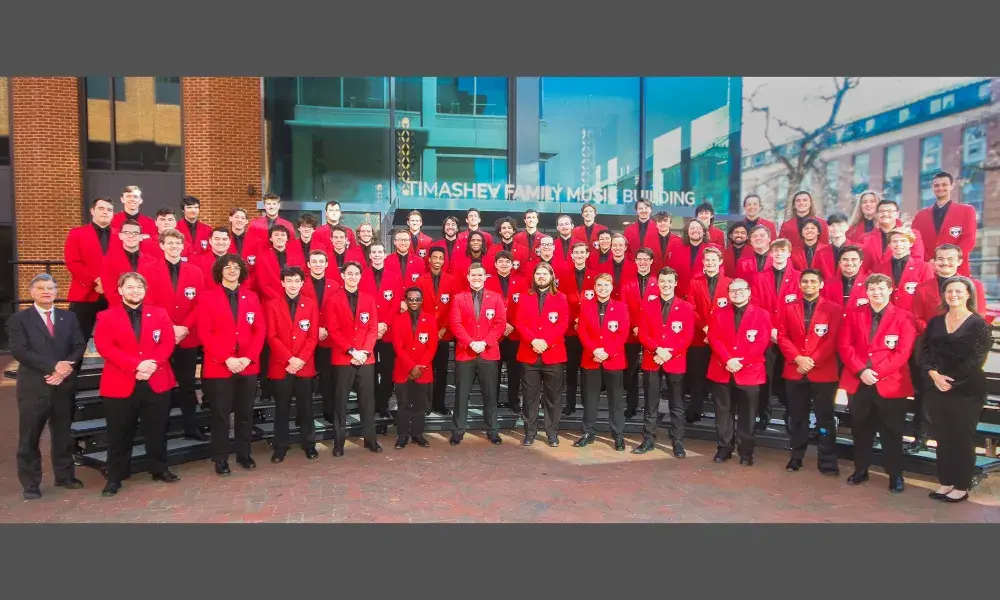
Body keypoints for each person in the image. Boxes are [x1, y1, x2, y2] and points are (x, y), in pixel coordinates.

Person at [93, 272, 180, 496]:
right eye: (130, 287)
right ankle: (115, 477)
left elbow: (168, 342)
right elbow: (105, 347)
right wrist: (136, 366)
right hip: (121, 383)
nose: (135, 291)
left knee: (157, 430)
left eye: (139, 287)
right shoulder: (106, 316)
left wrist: (152, 365)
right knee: (119, 433)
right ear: (120, 290)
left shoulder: (160, 313)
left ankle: (159, 469)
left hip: (157, 380)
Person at [7, 274, 87, 500]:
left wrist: (64, 370)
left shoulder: (68, 317)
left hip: (63, 385)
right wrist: (53, 367)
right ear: (31, 292)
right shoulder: (19, 319)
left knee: (63, 434)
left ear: (56, 291)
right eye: (41, 288)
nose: (46, 292)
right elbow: (19, 351)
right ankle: (31, 483)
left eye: (50, 288)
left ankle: (64, 476)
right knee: (30, 436)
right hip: (35, 387)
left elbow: (79, 345)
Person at [837, 273, 916, 494]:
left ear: (890, 290)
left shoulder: (904, 316)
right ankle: (861, 469)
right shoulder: (854, 314)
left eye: (881, 288)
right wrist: (861, 370)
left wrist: (877, 372)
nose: (876, 292)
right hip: (860, 382)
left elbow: (903, 352)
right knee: (861, 430)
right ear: (866, 291)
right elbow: (845, 346)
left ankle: (895, 475)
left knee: (892, 432)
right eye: (872, 288)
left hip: (890, 384)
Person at [908, 244, 988, 452]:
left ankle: (946, 441)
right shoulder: (923, 287)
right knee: (925, 394)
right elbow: (916, 316)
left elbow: (978, 316)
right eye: (940, 259)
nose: (945, 263)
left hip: (961, 353)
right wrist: (936, 334)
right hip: (930, 349)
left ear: (960, 261)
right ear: (934, 261)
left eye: (950, 259)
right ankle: (921, 437)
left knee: (954, 395)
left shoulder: (974, 285)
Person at [920, 276, 992, 503]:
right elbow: (924, 353)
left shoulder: (979, 324)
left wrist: (948, 381)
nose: (953, 295)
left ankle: (961, 485)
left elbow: (976, 359)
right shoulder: (935, 323)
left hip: (967, 390)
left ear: (969, 294)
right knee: (942, 437)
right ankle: (946, 482)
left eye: (959, 291)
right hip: (937, 387)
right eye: (949, 291)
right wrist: (934, 375)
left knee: (962, 438)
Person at [198, 254, 266, 476]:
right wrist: (226, 358)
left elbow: (259, 330)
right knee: (221, 415)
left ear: (242, 272)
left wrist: (248, 358)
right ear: (220, 271)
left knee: (245, 413)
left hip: (247, 365)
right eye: (227, 267)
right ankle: (220, 458)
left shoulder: (251, 297)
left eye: (236, 267)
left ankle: (244, 454)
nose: (232, 270)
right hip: (220, 367)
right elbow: (204, 333)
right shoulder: (208, 297)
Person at [143, 229, 207, 441]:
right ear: (161, 245)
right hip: (159, 336)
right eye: (169, 243)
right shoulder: (148, 269)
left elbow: (199, 304)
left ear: (183, 247)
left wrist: (185, 327)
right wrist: (169, 328)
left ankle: (191, 426)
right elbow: (148, 302)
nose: (174, 247)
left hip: (186, 337)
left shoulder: (195, 271)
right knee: (159, 384)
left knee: (187, 384)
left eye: (178, 244)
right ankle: (159, 429)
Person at [776, 269, 843, 474]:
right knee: (797, 416)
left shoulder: (834, 309)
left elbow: (833, 339)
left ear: (821, 285)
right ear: (800, 284)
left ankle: (827, 460)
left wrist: (813, 360)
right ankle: (796, 456)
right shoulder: (788, 307)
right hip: (795, 370)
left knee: (825, 417)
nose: (809, 285)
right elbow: (782, 336)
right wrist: (797, 358)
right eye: (805, 281)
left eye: (814, 281)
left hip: (823, 371)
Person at [706, 278, 771, 465]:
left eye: (741, 290)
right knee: (723, 413)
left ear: (749, 292)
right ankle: (724, 448)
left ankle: (746, 452)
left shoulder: (761, 314)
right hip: (722, 369)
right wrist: (727, 360)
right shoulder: (718, 313)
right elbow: (714, 338)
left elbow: (762, 342)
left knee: (747, 415)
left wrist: (741, 362)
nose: (737, 293)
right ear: (728, 293)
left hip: (750, 372)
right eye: (733, 290)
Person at [263, 266, 319, 463]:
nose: (293, 284)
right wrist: (289, 359)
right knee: (282, 408)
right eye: (289, 280)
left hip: (304, 365)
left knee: (306, 407)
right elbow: (271, 336)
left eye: (297, 280)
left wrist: (300, 359)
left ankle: (309, 444)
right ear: (282, 283)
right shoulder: (271, 305)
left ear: (302, 283)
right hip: (281, 365)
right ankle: (280, 446)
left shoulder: (310, 304)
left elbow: (312, 337)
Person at [637, 267, 695, 457]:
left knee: (677, 404)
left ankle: (677, 442)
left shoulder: (686, 307)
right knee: (651, 403)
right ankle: (648, 440)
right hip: (652, 359)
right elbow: (643, 334)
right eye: (662, 281)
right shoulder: (648, 304)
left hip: (675, 361)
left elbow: (687, 336)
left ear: (676, 283)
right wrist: (657, 350)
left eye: (669, 281)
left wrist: (669, 354)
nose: (666, 284)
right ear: (658, 283)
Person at [325, 262, 380, 455]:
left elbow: (373, 328)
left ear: (360, 276)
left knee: (367, 401)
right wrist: (351, 351)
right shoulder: (333, 299)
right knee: (340, 402)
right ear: (343, 276)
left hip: (366, 358)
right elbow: (333, 329)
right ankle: (338, 443)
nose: (353, 277)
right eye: (349, 273)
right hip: (343, 358)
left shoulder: (369, 299)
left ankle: (371, 440)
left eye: (356, 274)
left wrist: (364, 351)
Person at [449, 263, 506, 445]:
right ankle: (458, 431)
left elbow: (500, 324)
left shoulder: (496, 298)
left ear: (485, 277)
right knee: (461, 395)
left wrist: (486, 342)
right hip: (466, 353)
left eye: (480, 275)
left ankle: (492, 430)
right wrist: (471, 343)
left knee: (490, 394)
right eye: (473, 275)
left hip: (488, 353)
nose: (476, 278)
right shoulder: (459, 298)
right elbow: (455, 324)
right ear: (468, 277)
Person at [515, 262, 569, 447]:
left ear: (551, 277)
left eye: (544, 273)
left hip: (553, 354)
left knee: (553, 397)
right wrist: (533, 341)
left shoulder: (560, 297)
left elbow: (563, 324)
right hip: (529, 354)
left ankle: (552, 433)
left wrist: (546, 342)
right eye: (538, 273)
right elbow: (519, 322)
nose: (541, 276)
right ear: (534, 277)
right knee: (530, 397)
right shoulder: (524, 297)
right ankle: (530, 432)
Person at [750, 239, 800, 432]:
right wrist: (770, 329)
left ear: (789, 253)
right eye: (775, 251)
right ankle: (764, 415)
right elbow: (756, 306)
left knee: (789, 379)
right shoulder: (760, 278)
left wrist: (784, 331)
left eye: (783, 250)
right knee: (767, 379)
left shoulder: (798, 277)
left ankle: (790, 415)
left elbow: (798, 308)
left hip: (789, 336)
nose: (779, 254)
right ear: (771, 254)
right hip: (767, 337)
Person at [574, 273, 629, 451]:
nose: (602, 289)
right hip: (591, 359)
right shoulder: (586, 307)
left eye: (606, 285)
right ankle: (588, 433)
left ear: (612, 288)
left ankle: (618, 435)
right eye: (599, 285)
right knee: (590, 399)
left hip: (613, 360)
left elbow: (623, 333)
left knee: (616, 401)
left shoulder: (621, 307)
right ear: (594, 288)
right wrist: (594, 350)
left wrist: (607, 352)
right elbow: (582, 332)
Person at [684, 245, 730, 423]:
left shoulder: (729, 283)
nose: (710, 263)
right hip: (699, 337)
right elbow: (691, 308)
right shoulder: (695, 282)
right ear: (703, 262)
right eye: (707, 260)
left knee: (720, 376)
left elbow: (730, 311)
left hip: (721, 338)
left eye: (713, 260)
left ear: (720, 262)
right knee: (697, 376)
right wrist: (705, 327)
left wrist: (715, 331)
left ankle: (721, 414)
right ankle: (695, 409)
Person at [360, 241, 404, 421]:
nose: (377, 255)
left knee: (387, 371)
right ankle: (369, 406)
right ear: (369, 256)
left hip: (388, 331)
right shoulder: (361, 276)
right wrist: (374, 325)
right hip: (367, 332)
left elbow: (396, 302)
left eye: (380, 252)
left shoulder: (394, 276)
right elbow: (361, 303)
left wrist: (384, 324)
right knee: (368, 372)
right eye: (374, 252)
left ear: (385, 255)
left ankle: (383, 404)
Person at [64, 197, 116, 346]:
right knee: (76, 340)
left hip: (113, 296)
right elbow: (73, 263)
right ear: (92, 211)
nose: (105, 212)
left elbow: (123, 265)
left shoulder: (121, 236)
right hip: (84, 294)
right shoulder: (77, 234)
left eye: (109, 210)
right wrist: (96, 280)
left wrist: (108, 283)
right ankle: (71, 370)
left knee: (116, 341)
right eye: (101, 208)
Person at [391, 287, 439, 449]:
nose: (414, 302)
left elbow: (432, 346)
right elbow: (398, 346)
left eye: (417, 299)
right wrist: (411, 367)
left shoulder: (430, 319)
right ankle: (403, 435)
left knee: (419, 405)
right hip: (403, 369)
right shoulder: (398, 319)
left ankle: (418, 434)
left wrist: (421, 367)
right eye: (410, 299)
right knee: (403, 404)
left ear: (422, 300)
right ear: (405, 300)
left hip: (423, 370)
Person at [415, 247, 460, 415]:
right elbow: (417, 306)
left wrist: (443, 328)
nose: (438, 261)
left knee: (441, 371)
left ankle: (439, 404)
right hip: (425, 335)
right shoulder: (420, 280)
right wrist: (429, 329)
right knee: (425, 369)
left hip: (443, 333)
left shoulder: (451, 280)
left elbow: (454, 307)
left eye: (441, 258)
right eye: (434, 257)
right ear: (429, 259)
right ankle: (424, 405)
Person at [484, 250, 529, 413]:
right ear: (495, 264)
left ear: (512, 264)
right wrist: (501, 326)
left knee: (515, 371)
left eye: (507, 261)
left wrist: (513, 325)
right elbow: (485, 308)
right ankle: (492, 401)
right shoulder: (487, 282)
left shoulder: (522, 282)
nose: (504, 264)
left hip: (515, 333)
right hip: (494, 334)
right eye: (501, 261)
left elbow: (525, 308)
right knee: (493, 370)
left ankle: (513, 400)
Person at [909, 171, 977, 277]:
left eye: (944, 185)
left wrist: (949, 259)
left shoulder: (966, 211)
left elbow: (969, 239)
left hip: (956, 270)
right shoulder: (920, 216)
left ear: (952, 186)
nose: (940, 188)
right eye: (936, 185)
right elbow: (914, 242)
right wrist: (930, 261)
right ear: (932, 188)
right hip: (929, 269)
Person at [558, 242, 596, 416]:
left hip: (590, 331)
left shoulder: (595, 276)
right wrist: (573, 320)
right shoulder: (563, 275)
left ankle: (588, 404)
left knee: (588, 370)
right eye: (576, 253)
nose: (579, 255)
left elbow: (598, 302)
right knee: (571, 369)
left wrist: (584, 320)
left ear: (587, 255)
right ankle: (570, 403)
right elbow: (560, 301)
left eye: (582, 252)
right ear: (571, 256)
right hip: (571, 331)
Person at [860, 199, 925, 271]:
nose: (885, 214)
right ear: (876, 214)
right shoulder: (864, 238)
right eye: (881, 211)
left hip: (903, 278)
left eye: (889, 211)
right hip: (872, 280)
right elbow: (862, 264)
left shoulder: (911, 234)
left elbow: (918, 260)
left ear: (897, 214)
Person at [820, 245, 869, 315]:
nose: (849, 263)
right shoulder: (828, 284)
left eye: (854, 259)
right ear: (839, 263)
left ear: (861, 262)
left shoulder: (869, 283)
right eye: (845, 259)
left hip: (859, 324)